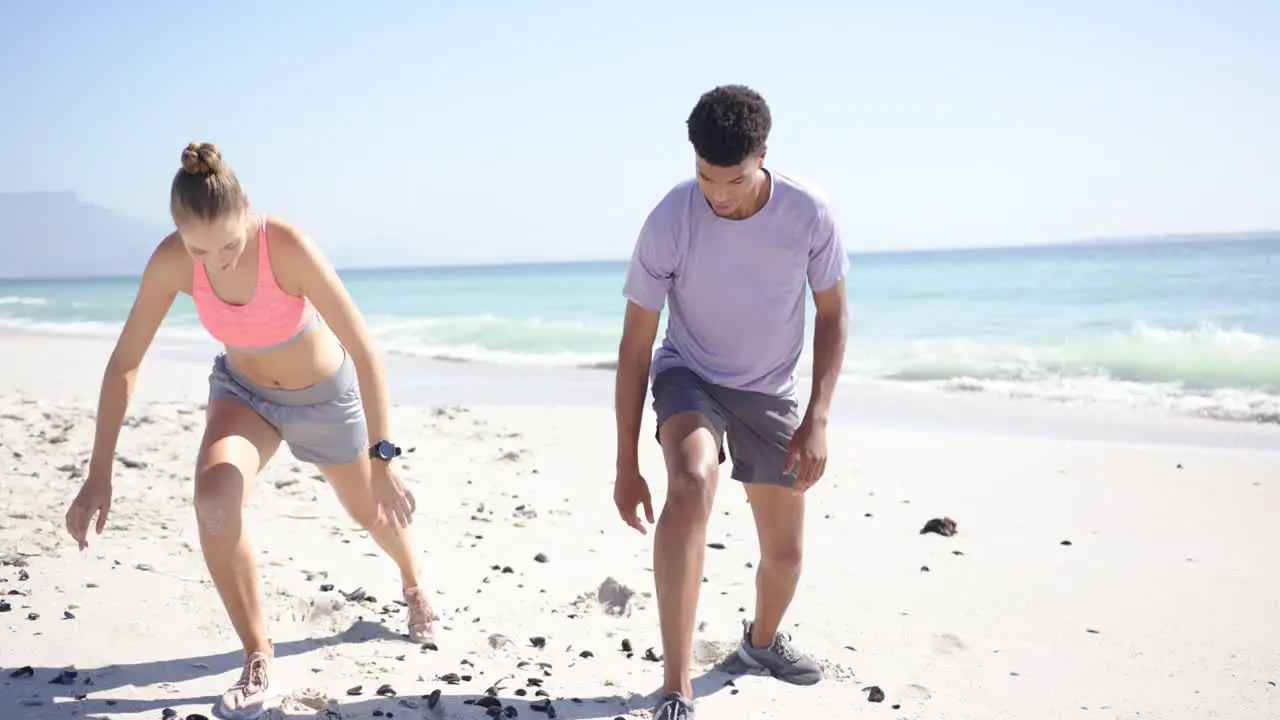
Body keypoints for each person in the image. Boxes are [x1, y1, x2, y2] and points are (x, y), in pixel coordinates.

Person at [63, 143, 439, 720]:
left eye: (230, 245)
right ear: (178, 235)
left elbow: (366, 351)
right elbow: (125, 363)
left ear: (248, 211)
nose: (217, 262)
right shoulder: (171, 260)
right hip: (245, 396)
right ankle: (258, 653)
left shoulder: (285, 247)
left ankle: (413, 581)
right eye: (199, 249)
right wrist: (98, 474)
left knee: (371, 512)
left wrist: (384, 459)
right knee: (214, 498)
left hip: (323, 397)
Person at [613, 85, 850, 719]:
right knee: (691, 481)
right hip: (689, 372)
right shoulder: (670, 219)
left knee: (786, 553)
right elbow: (636, 346)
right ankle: (676, 685)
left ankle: (761, 643)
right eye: (706, 177)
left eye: (735, 180)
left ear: (763, 156)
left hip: (770, 389)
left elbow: (833, 316)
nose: (719, 194)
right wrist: (626, 462)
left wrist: (817, 417)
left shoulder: (809, 213)